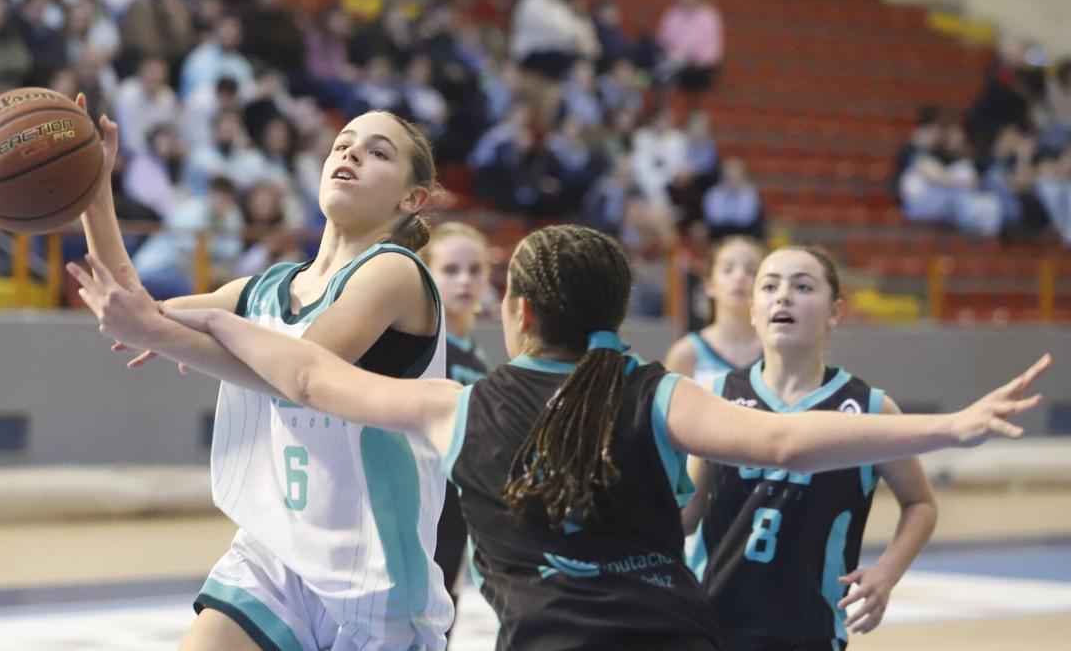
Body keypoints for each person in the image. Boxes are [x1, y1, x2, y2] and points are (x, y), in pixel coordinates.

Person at [77, 224, 1050, 651]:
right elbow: (790, 442)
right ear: (612, 315)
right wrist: (956, 424)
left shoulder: (458, 406)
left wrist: (196, 320)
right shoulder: (656, 394)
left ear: (517, 307)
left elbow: (302, 373)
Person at [68, 97, 453, 650]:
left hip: (375, 575)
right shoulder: (267, 289)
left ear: (410, 198)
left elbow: (299, 373)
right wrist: (93, 189)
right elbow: (137, 312)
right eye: (342, 144)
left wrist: (166, 331)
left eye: (377, 153)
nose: (350, 155)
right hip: (276, 557)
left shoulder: (395, 273)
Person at [684, 246, 940, 651]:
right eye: (769, 286)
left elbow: (920, 503)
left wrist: (887, 572)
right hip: (710, 625)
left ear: (835, 312)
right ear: (754, 310)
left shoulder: (869, 407)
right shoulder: (716, 396)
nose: (783, 295)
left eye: (802, 286)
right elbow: (688, 512)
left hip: (809, 631)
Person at [418, 222, 494, 622]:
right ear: (426, 272)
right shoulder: (419, 344)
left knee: (443, 615)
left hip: (456, 510)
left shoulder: (477, 356)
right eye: (450, 270)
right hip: (414, 507)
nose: (465, 280)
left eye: (475, 269)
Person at [665, 235, 765, 387]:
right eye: (728, 269)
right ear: (709, 284)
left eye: (751, 271)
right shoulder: (685, 354)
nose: (739, 277)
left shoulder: (778, 351)